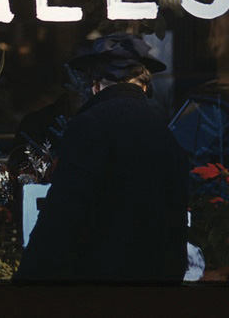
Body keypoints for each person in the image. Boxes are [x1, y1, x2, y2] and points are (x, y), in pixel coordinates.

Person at [13, 33, 189, 282]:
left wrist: (26, 280)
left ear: (95, 84)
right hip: (154, 287)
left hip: (99, 286)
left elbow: (62, 215)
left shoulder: (90, 125)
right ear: (145, 85)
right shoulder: (163, 132)